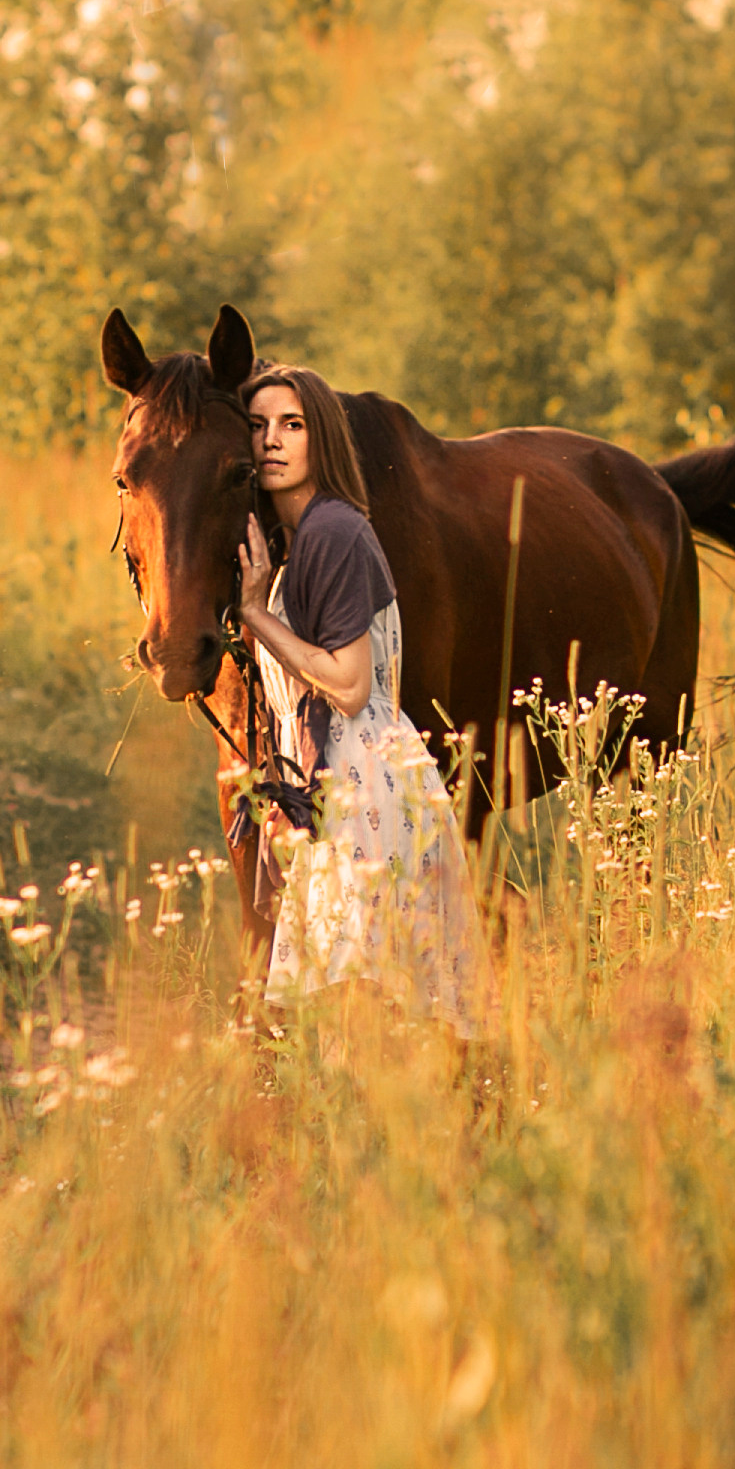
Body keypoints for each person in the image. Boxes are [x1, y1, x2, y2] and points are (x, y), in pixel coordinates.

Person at [234, 362, 483, 1029]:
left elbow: (347, 686)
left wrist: (257, 615)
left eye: (292, 425)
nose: (271, 442)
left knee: (365, 1013)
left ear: (324, 441)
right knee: (356, 1019)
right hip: (341, 787)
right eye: (257, 427)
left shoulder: (333, 532)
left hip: (364, 787)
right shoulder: (299, 538)